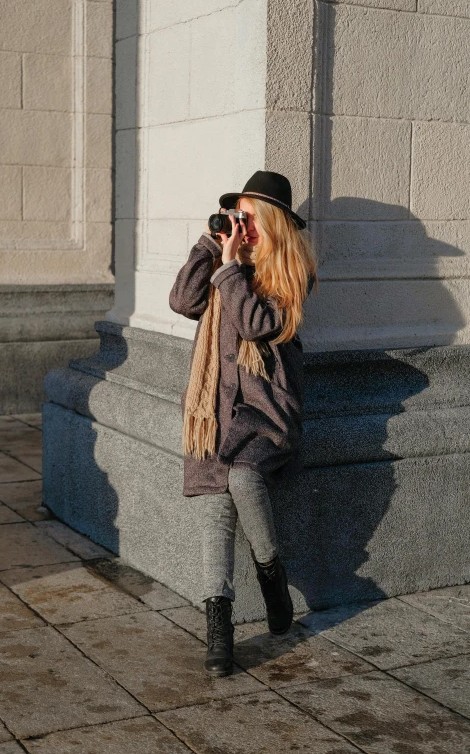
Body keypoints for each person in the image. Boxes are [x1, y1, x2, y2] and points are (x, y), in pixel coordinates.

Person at [169, 170, 317, 678]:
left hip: (266, 413)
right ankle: (219, 630)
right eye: (237, 219)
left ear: (272, 224)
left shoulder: (289, 275)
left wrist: (231, 270)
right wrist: (209, 247)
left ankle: (270, 572)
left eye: (249, 220)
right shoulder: (223, 264)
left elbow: (257, 324)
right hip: (214, 411)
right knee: (215, 509)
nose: (242, 229)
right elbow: (183, 302)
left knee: (241, 474)